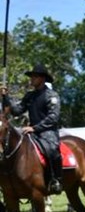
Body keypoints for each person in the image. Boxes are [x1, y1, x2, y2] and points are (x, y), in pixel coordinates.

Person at [1, 63, 64, 193]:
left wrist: (35, 128)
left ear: (42, 78)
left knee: (52, 150)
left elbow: (53, 117)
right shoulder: (30, 96)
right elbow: (17, 110)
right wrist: (6, 97)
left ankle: (55, 179)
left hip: (48, 133)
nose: (31, 79)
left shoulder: (51, 96)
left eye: (34, 77)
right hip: (31, 133)